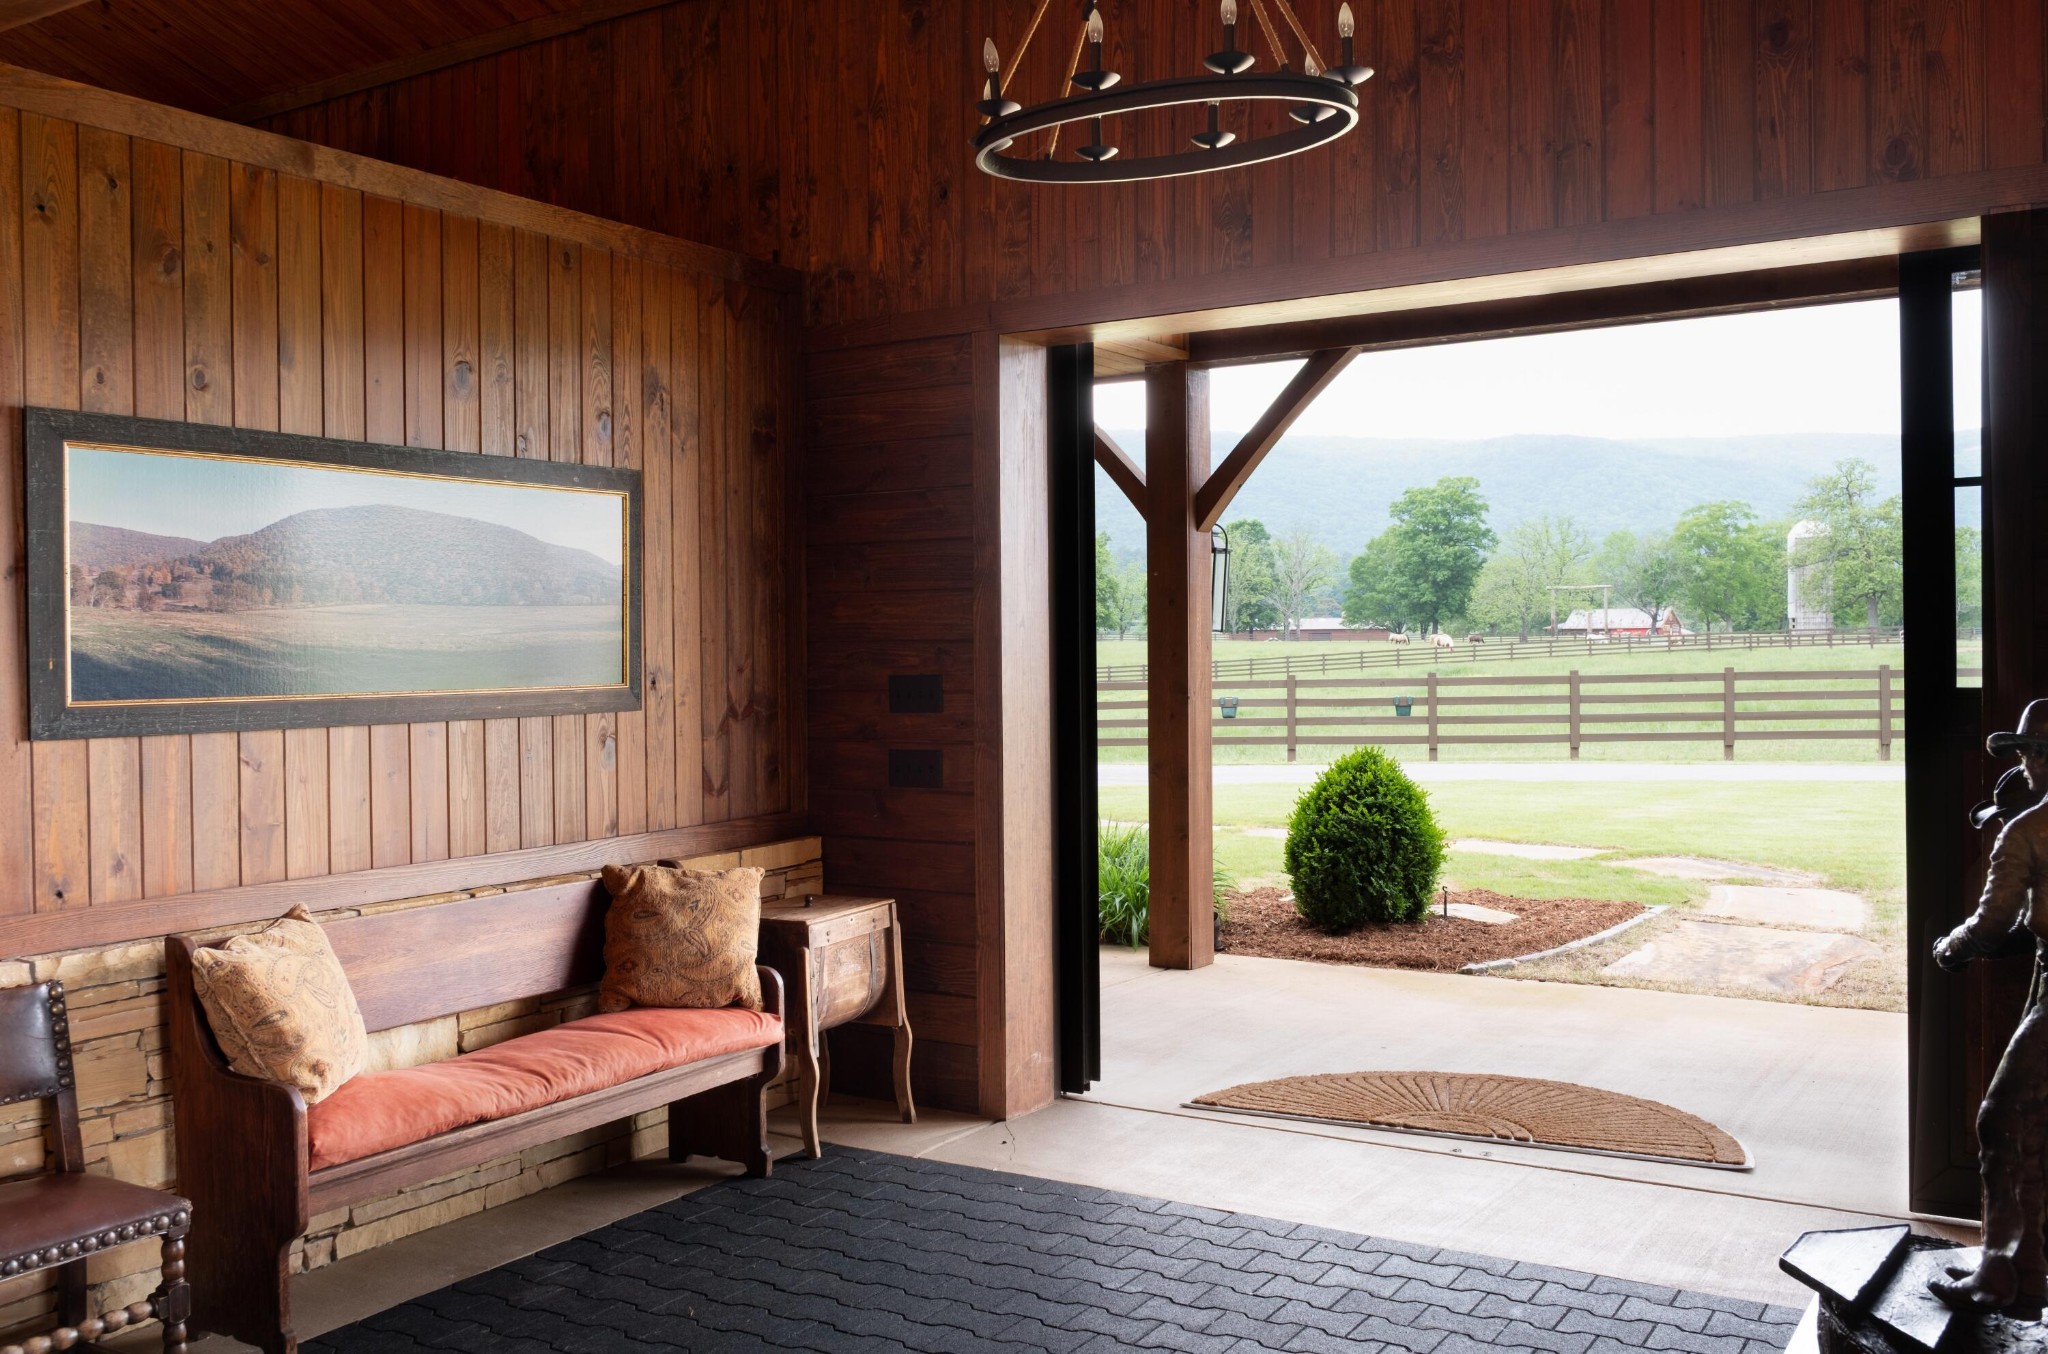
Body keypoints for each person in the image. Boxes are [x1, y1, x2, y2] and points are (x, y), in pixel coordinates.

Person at [1931, 699, 2048, 1313]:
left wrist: (1949, 948)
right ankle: (2026, 1270)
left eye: (2034, 751)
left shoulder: (2027, 830)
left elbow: (1992, 920)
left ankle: (2001, 1271)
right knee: (2032, 1125)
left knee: (2001, 1120)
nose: (2028, 763)